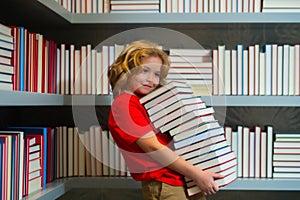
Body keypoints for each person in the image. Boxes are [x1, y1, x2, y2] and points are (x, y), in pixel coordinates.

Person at [107, 40, 222, 200]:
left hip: (181, 178)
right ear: (127, 70)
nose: (151, 80)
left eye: (157, 74)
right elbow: (153, 147)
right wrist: (197, 174)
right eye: (144, 71)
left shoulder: (144, 101)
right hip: (165, 183)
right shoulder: (125, 104)